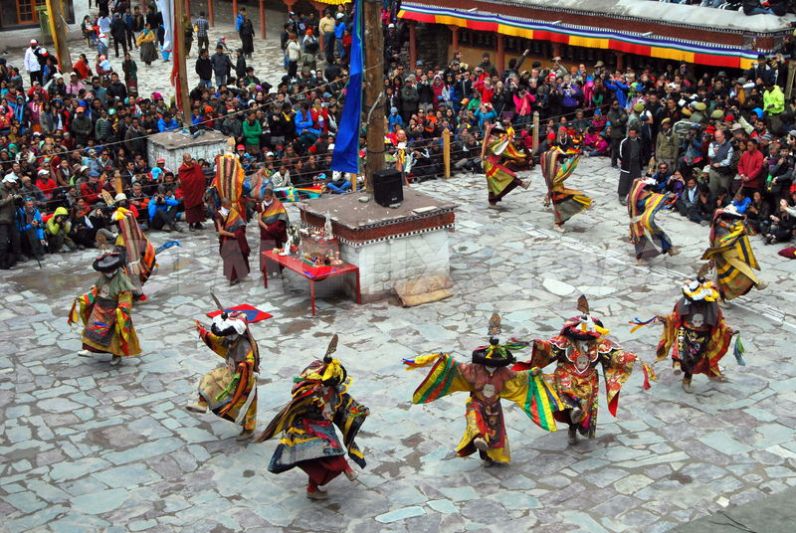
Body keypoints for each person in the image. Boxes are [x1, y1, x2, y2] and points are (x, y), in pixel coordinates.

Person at [404, 314, 563, 465]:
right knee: (476, 422)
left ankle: (488, 456)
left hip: (494, 407)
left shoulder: (503, 372)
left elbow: (517, 377)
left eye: (495, 365)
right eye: (489, 364)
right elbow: (457, 367)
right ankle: (478, 439)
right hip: (477, 403)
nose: (491, 367)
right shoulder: (473, 369)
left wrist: (531, 373)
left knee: (495, 434)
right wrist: (443, 360)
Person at [513, 296, 644, 445]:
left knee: (583, 408)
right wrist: (539, 344)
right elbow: (550, 347)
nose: (585, 341)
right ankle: (572, 410)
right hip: (566, 374)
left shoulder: (599, 345)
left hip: (588, 381)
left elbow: (615, 355)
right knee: (565, 390)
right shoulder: (566, 342)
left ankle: (573, 427)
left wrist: (628, 357)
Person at [255, 335, 369, 500]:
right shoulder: (310, 394)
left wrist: (360, 411)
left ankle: (312, 488)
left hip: (325, 428)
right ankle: (347, 470)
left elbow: (347, 405)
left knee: (320, 457)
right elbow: (298, 403)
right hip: (306, 429)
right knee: (331, 454)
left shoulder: (337, 393)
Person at [654, 269, 737, 393]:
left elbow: (720, 322)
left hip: (702, 337)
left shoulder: (713, 307)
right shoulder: (684, 303)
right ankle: (676, 364)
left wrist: (728, 329)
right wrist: (665, 319)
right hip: (685, 332)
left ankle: (687, 380)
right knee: (679, 350)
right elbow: (675, 317)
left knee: (694, 360)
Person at [187, 310, 260, 441]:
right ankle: (202, 404)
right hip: (229, 373)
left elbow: (243, 379)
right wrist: (203, 332)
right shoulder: (230, 340)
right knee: (209, 378)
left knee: (242, 408)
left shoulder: (246, 354)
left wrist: (231, 403)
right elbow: (216, 340)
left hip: (243, 383)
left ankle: (248, 428)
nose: (226, 337)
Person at [68, 252, 141, 365]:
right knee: (92, 329)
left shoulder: (122, 280)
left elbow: (126, 298)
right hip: (99, 309)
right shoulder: (103, 277)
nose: (107, 273)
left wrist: (121, 310)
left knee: (114, 335)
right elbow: (97, 289)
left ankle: (116, 355)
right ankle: (90, 349)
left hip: (114, 311)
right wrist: (85, 298)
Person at [701, 205, 766, 300]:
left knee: (723, 276)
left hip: (726, 253)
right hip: (722, 254)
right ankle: (719, 299)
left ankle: (756, 283)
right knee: (722, 277)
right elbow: (724, 241)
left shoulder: (729, 224)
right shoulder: (720, 227)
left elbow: (748, 231)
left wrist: (743, 224)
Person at [628, 177, 680, 263]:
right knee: (650, 233)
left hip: (636, 218)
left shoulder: (633, 194)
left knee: (642, 235)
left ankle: (667, 248)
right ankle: (666, 248)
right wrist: (667, 196)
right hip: (640, 219)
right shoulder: (650, 197)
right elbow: (658, 198)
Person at [541, 146, 591, 232]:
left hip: (559, 191)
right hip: (557, 193)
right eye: (557, 159)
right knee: (561, 209)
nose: (558, 161)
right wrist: (574, 159)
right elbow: (566, 168)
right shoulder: (553, 172)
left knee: (565, 207)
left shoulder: (548, 171)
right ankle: (557, 225)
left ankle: (558, 223)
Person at [111, 205, 156, 301]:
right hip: (126, 260)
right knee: (128, 275)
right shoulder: (128, 235)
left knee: (133, 275)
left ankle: (137, 293)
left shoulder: (132, 234)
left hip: (132, 260)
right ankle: (133, 293)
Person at [481, 122, 530, 208]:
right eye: (496, 132)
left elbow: (503, 149)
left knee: (494, 184)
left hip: (494, 164)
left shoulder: (494, 140)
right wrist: (506, 140)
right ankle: (522, 183)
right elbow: (498, 146)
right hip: (491, 165)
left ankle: (493, 201)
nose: (498, 134)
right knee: (507, 176)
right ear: (493, 132)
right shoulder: (491, 141)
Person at [215, 197, 249, 286]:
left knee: (238, 256)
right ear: (223, 205)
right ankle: (232, 278)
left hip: (235, 239)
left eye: (230, 205)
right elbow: (220, 231)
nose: (230, 207)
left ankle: (239, 274)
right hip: (226, 240)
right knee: (230, 259)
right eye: (228, 206)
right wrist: (233, 235)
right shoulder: (219, 215)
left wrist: (239, 232)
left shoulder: (232, 212)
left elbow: (241, 223)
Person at [258, 186, 288, 274]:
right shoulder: (261, 205)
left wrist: (273, 228)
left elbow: (282, 217)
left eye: (267, 197)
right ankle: (268, 270)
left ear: (271, 196)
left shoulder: (278, 204)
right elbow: (259, 220)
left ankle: (278, 268)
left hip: (275, 231)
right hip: (265, 231)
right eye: (264, 197)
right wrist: (267, 228)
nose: (265, 199)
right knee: (266, 250)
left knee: (277, 249)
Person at [178, 154, 207, 230]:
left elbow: (201, 177)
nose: (189, 160)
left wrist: (200, 183)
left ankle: (198, 223)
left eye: (190, 158)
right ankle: (191, 224)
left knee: (199, 207)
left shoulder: (196, 166)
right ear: (184, 160)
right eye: (187, 159)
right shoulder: (182, 169)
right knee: (190, 208)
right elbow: (184, 180)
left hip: (197, 190)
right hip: (189, 192)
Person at [0, 174, 22, 269]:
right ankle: (2, 262)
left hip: (12, 218)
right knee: (3, 243)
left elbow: (15, 200)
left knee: (16, 240)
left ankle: (13, 260)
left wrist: (18, 199)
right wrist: (7, 200)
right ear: (5, 181)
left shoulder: (11, 189)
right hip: (2, 220)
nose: (12, 184)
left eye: (13, 183)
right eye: (11, 182)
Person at [618, 126, 643, 205]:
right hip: (627, 164)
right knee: (624, 180)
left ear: (636, 134)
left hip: (636, 164)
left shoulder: (640, 141)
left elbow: (642, 152)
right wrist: (625, 160)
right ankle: (622, 196)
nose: (631, 134)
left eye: (633, 133)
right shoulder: (624, 142)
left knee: (637, 179)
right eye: (630, 133)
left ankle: (636, 195)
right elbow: (620, 153)